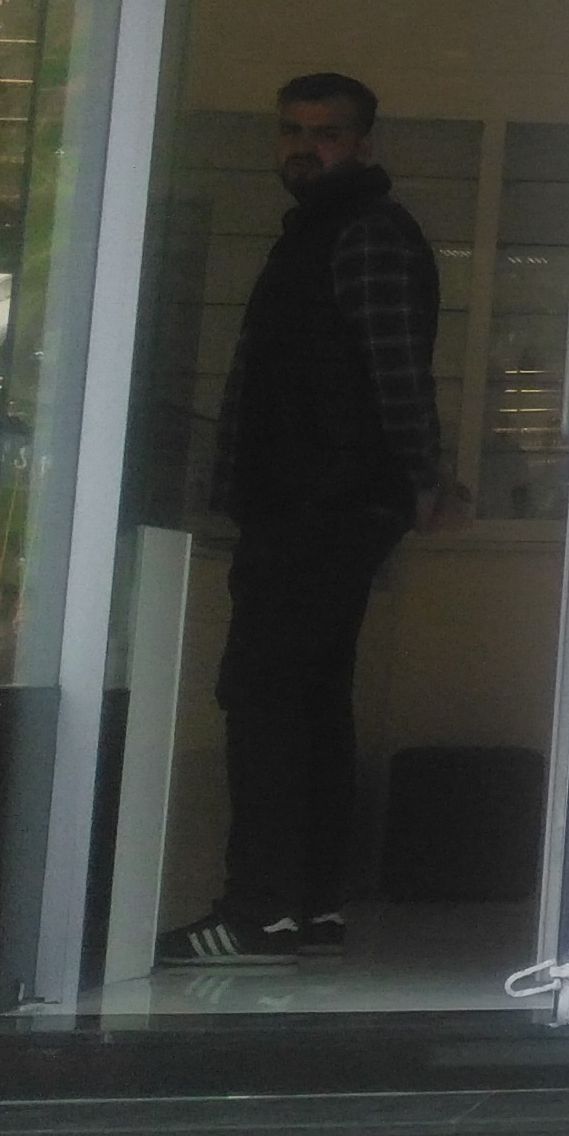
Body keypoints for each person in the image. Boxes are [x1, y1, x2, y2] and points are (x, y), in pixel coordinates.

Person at [167, 73, 448, 965]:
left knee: (264, 699)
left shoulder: (365, 233)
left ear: (364, 144)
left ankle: (262, 911)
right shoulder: (324, 231)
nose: (304, 146)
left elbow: (396, 367)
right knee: (309, 703)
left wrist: (421, 477)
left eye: (326, 133)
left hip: (320, 504)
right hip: (313, 502)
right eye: (291, 130)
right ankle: (310, 906)